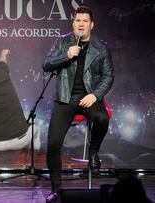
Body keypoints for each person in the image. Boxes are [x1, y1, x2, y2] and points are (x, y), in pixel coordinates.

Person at [43, 6, 114, 201]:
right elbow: (46, 64)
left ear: (91, 24)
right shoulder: (62, 42)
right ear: (72, 23)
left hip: (88, 97)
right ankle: (56, 189)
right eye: (77, 21)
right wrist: (65, 55)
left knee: (101, 118)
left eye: (85, 21)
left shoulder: (101, 47)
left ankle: (93, 152)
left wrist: (95, 94)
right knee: (53, 144)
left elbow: (108, 76)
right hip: (65, 98)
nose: (81, 24)